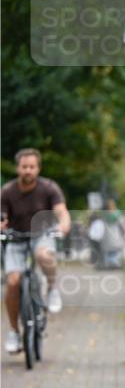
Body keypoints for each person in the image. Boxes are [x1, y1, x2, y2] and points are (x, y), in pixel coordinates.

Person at [1, 148, 71, 353]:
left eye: (32, 167)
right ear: (18, 168)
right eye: (24, 167)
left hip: (42, 235)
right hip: (16, 238)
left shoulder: (49, 188)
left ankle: (52, 288)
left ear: (38, 168)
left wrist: (63, 226)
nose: (28, 171)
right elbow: (2, 216)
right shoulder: (7, 191)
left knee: (43, 254)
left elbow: (61, 212)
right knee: (13, 282)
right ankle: (14, 331)